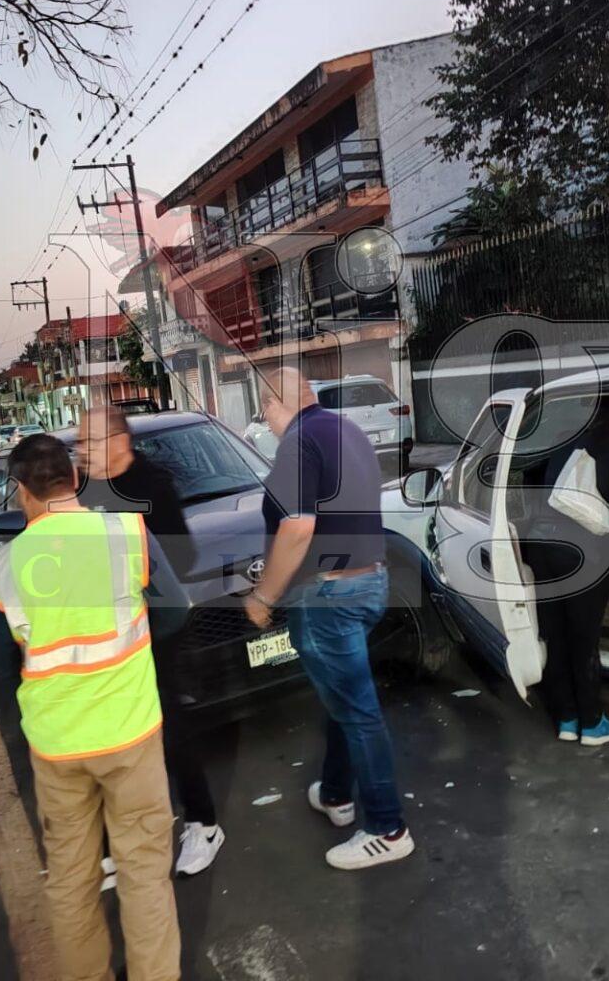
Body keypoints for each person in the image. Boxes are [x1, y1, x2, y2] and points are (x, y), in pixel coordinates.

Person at [0, 434, 181, 981]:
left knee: (70, 879)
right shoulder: (124, 534)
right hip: (131, 732)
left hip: (57, 746)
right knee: (144, 873)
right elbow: (176, 611)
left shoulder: (3, 567)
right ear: (73, 478)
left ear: (22, 490)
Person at [244, 366, 414, 871]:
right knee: (345, 697)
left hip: (329, 598)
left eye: (264, 409)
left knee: (358, 711)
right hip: (368, 582)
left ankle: (388, 828)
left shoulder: (297, 442)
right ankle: (337, 793)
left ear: (278, 403)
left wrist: (263, 596)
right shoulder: (348, 430)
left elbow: (296, 529)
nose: (266, 420)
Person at [76, 404, 224, 877]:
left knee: (172, 729)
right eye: (80, 444)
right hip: (107, 637)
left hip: (156, 630)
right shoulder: (82, 492)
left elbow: (180, 558)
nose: (82, 452)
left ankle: (203, 824)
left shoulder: (153, 485)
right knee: (110, 738)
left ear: (119, 441)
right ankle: (113, 843)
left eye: (90, 442)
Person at [538, 410, 609, 747]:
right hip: (583, 553)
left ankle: (566, 718)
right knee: (584, 639)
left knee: (556, 637)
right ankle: (591, 723)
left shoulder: (561, 439)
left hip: (544, 547)